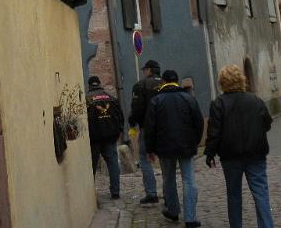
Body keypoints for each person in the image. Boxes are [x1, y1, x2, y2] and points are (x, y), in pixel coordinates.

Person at [204, 64, 274, 228]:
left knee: (234, 195)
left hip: (231, 156)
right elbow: (267, 124)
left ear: (222, 83)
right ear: (241, 80)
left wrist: (210, 153)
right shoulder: (255, 100)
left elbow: (214, 132)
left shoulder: (218, 103)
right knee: (261, 193)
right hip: (256, 154)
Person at [145, 70, 204, 226]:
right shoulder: (188, 98)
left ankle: (173, 210)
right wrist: (195, 141)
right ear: (177, 81)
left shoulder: (156, 100)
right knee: (189, 180)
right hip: (186, 146)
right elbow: (199, 122)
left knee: (168, 179)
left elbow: (150, 127)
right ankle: (190, 218)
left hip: (164, 147)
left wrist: (150, 149)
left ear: (163, 81)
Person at [128, 59, 163, 205]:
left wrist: (132, 122)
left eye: (145, 70)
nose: (144, 72)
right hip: (166, 127)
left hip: (147, 127)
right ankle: (170, 194)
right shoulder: (166, 82)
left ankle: (151, 193)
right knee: (166, 159)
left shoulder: (141, 85)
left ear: (149, 70)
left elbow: (137, 107)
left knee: (143, 158)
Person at [86, 75, 124, 199]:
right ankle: (115, 191)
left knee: (91, 165)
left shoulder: (87, 99)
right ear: (99, 84)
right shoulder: (111, 98)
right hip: (110, 136)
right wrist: (119, 131)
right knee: (113, 164)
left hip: (94, 138)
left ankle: (90, 194)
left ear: (89, 85)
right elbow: (120, 116)